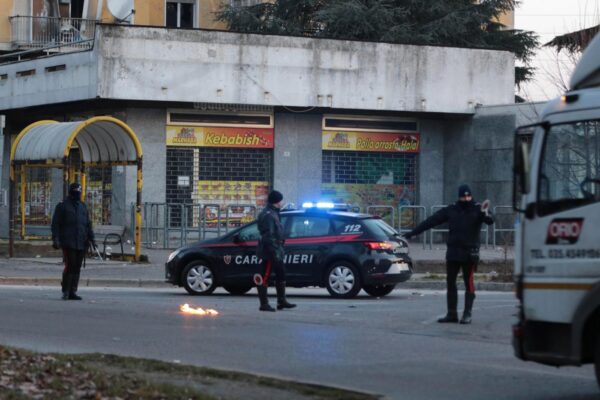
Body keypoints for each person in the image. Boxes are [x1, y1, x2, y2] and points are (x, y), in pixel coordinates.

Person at [404, 184, 494, 324]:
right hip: (453, 252)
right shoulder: (452, 209)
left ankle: (467, 314)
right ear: (459, 197)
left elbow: (490, 221)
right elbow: (431, 221)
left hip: (470, 253)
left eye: (468, 196)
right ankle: (452, 314)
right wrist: (413, 233)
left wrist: (485, 212)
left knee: (468, 282)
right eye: (463, 196)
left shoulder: (478, 208)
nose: (466, 198)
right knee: (450, 283)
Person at [51, 182, 96, 301]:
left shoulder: (82, 206)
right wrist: (55, 238)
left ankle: (73, 291)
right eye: (76, 191)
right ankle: (65, 291)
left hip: (81, 241)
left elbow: (87, 224)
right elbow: (56, 223)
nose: (78, 194)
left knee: (77, 267)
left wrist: (92, 238)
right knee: (70, 266)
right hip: (68, 241)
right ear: (71, 192)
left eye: (79, 192)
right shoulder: (62, 205)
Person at [255, 190, 296, 312]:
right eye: (281, 200)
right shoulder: (268, 215)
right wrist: (274, 251)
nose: (282, 202)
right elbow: (268, 235)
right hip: (270, 250)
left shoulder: (273, 213)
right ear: (277, 201)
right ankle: (264, 304)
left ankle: (281, 301)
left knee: (281, 273)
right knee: (265, 275)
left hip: (276, 248)